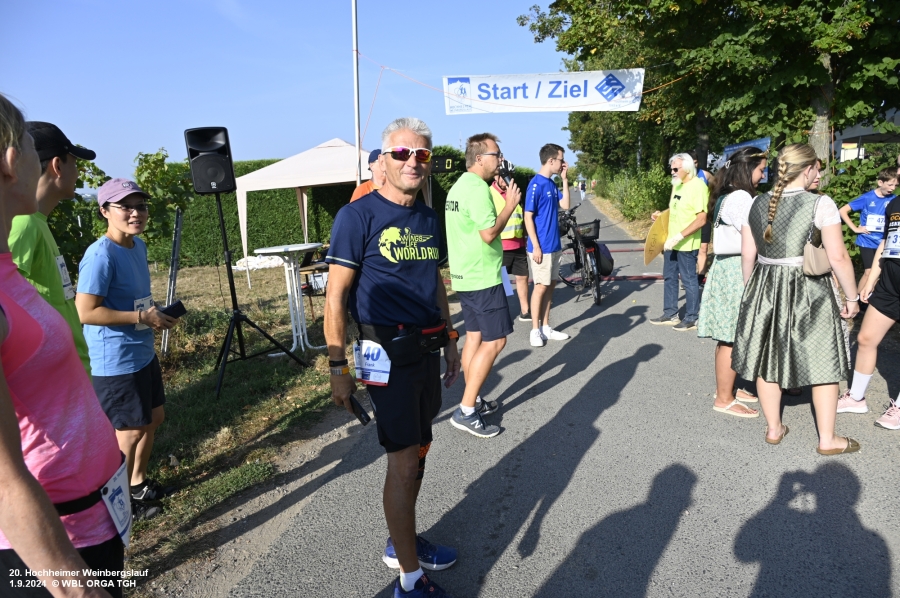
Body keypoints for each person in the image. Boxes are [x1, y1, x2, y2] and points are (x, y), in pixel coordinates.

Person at [324, 117, 461, 598]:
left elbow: (435, 282)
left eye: (421, 154)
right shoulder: (356, 216)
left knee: (419, 450)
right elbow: (335, 298)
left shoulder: (427, 216)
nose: (412, 162)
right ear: (383, 161)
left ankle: (402, 540)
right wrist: (338, 369)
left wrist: (451, 339)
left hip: (426, 350)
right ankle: (409, 578)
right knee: (403, 461)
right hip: (384, 353)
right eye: (401, 153)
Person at [0, 92, 120, 597]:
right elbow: (4, 479)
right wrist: (76, 588)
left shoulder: (8, 258)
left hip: (93, 512)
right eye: (30, 146)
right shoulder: (22, 233)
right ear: (12, 161)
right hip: (60, 538)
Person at [731, 143, 860, 454]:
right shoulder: (821, 203)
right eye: (817, 168)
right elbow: (838, 257)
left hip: (765, 284)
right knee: (823, 357)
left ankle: (774, 428)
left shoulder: (757, 202)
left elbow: (748, 254)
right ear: (808, 169)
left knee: (767, 358)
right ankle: (827, 439)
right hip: (808, 288)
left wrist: (752, 291)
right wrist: (852, 297)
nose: (819, 174)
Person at [75, 178, 177, 520]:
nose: (136, 213)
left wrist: (154, 313)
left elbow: (135, 299)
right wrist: (141, 317)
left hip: (141, 352)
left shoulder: (138, 246)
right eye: (126, 207)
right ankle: (117, 506)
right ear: (105, 211)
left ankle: (136, 484)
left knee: (153, 419)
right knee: (130, 432)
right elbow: (85, 312)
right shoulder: (99, 256)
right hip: (116, 361)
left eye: (141, 206)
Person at [445, 133, 519, 438]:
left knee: (474, 336)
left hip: (465, 276)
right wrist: (509, 205)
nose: (500, 159)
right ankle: (465, 410)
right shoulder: (476, 190)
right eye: (496, 155)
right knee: (496, 341)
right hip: (483, 276)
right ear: (479, 158)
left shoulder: (460, 186)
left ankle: (472, 397)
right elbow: (489, 234)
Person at [8, 122, 95, 377]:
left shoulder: (37, 221)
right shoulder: (23, 224)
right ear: (57, 166)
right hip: (51, 377)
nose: (78, 174)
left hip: (68, 373)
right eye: (75, 164)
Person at [696, 147, 768, 417]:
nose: (763, 175)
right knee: (731, 337)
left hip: (727, 266)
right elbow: (756, 238)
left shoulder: (728, 195)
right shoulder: (741, 198)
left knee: (729, 335)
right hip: (737, 268)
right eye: (761, 169)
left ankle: (729, 388)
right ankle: (724, 398)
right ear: (748, 169)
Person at [835, 191, 900, 428]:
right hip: (889, 285)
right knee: (865, 338)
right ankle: (855, 398)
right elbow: (886, 241)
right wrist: (872, 278)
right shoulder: (895, 203)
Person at [650, 153, 709, 330]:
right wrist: (661, 215)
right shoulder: (677, 185)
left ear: (688, 168)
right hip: (671, 242)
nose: (672, 172)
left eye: (676, 169)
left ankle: (692, 318)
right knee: (669, 277)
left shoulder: (698, 186)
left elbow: (702, 219)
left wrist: (680, 236)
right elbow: (675, 209)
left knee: (689, 280)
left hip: (686, 243)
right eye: (671, 169)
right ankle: (670, 314)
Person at [524, 143, 571, 347]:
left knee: (550, 286)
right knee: (540, 287)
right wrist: (536, 246)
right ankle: (535, 330)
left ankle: (545, 327)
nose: (563, 163)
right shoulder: (536, 184)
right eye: (561, 159)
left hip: (554, 245)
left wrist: (565, 180)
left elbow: (565, 205)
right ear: (551, 160)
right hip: (541, 247)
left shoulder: (552, 184)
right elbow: (528, 216)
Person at [837, 167, 897, 299]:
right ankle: (857, 300)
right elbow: (842, 211)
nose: (893, 188)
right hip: (867, 240)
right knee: (868, 272)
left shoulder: (894, 199)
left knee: (878, 274)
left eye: (896, 186)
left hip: (883, 242)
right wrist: (855, 228)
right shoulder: (867, 198)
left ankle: (867, 298)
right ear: (880, 182)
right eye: (890, 185)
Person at [490, 162, 530, 320]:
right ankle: (500, 311)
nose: (507, 179)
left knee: (522, 276)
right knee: (500, 282)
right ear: (495, 177)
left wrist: (526, 238)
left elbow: (521, 216)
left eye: (510, 175)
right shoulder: (490, 193)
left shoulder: (515, 192)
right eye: (504, 176)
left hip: (518, 243)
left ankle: (525, 310)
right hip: (500, 245)